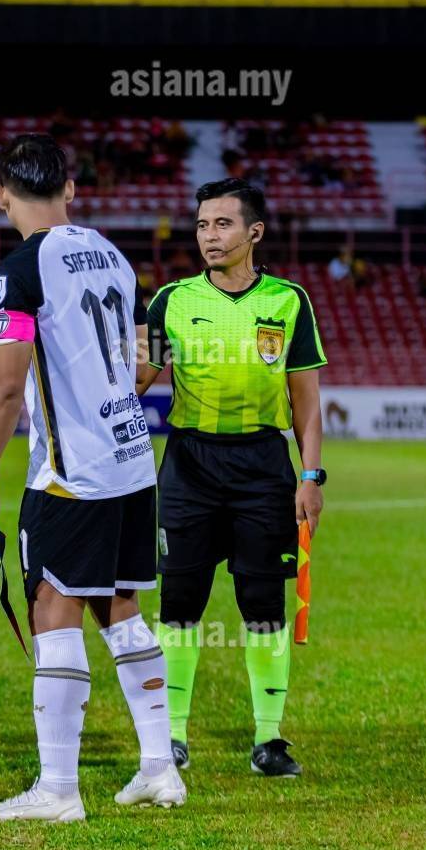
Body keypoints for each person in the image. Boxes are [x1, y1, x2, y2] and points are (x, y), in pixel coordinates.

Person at [0, 135, 184, 823]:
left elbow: (5, 388)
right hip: (131, 460)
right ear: (70, 189)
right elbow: (149, 354)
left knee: (54, 610)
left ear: (1, 195)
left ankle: (58, 789)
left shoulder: (21, 269)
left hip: (72, 473)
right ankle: (159, 767)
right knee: (121, 606)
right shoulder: (114, 255)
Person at [136, 177, 327, 778]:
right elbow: (133, 381)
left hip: (264, 468)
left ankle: (269, 740)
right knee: (180, 602)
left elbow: (306, 403)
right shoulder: (169, 301)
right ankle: (172, 735)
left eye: (222, 224)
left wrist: (311, 476)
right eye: (202, 225)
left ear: (254, 232)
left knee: (263, 603)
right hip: (189, 465)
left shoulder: (289, 302)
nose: (209, 236)